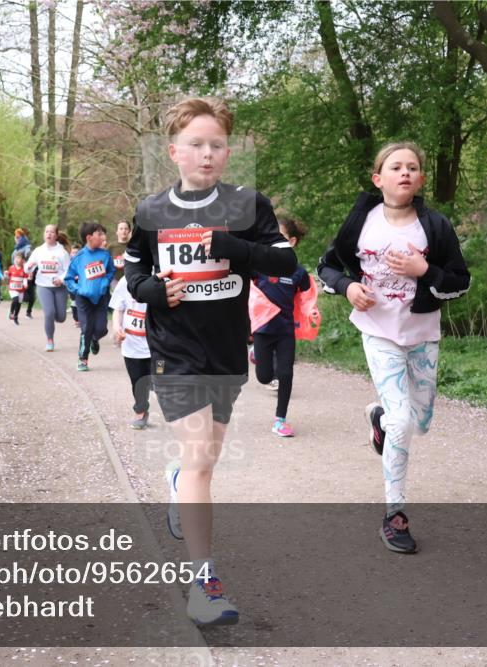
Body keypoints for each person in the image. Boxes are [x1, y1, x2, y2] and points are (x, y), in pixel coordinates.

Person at [125, 97, 297, 626]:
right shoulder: (152, 211)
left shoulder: (248, 205)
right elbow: (133, 276)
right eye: (195, 145)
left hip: (226, 350)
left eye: (216, 145)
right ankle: (204, 583)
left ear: (228, 151)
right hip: (173, 352)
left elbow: (285, 260)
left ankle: (179, 483)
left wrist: (234, 247)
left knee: (204, 462)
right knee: (201, 460)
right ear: (174, 151)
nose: (206, 154)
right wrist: (157, 290)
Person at [317, 141, 470, 554]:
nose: (404, 172)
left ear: (420, 180)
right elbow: (326, 266)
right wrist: (348, 287)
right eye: (396, 166)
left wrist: (425, 271)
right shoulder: (361, 222)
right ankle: (394, 515)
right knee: (404, 425)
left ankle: (381, 417)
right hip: (378, 332)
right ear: (378, 178)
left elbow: (461, 282)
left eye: (412, 168)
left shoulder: (434, 227)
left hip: (423, 334)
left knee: (418, 423)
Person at [251, 218, 312, 437]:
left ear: (292, 242)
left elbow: (307, 296)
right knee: (264, 377)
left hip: (286, 331)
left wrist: (310, 315)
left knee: (286, 374)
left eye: (280, 238)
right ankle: (255, 354)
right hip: (263, 330)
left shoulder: (298, 272)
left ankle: (281, 420)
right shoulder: (258, 268)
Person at [65, 222, 116, 371]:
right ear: (89, 237)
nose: (103, 237)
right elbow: (68, 278)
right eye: (99, 234)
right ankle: (83, 359)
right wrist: (77, 289)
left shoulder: (105, 255)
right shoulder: (79, 257)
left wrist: (105, 282)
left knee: (101, 329)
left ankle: (95, 339)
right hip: (83, 299)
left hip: (101, 297)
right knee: (86, 328)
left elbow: (111, 271)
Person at [110, 275, 151, 429]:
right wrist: (116, 327)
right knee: (137, 381)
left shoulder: (161, 275)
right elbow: (118, 309)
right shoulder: (125, 281)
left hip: (157, 346)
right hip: (132, 344)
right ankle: (141, 411)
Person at [24, 224, 72, 351]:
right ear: (44, 234)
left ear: (56, 235)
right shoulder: (39, 251)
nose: (49, 234)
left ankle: (55, 317)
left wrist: (61, 279)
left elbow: (69, 270)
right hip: (43, 286)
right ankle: (50, 340)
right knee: (49, 312)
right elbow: (27, 267)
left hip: (59, 287)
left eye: (51, 232)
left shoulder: (62, 252)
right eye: (46, 232)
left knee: (61, 317)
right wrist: (30, 266)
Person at [5, 252, 29, 325]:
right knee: (15, 299)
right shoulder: (11, 268)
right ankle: (11, 313)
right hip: (12, 288)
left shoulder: (24, 269)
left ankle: (16, 317)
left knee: (19, 303)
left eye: (19, 258)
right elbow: (7, 277)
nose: (17, 260)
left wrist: (25, 284)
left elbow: (25, 278)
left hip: (21, 289)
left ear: (23, 260)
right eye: (16, 258)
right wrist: (5, 275)